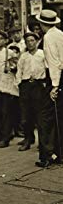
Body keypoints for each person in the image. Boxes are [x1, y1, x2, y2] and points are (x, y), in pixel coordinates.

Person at [36, 9, 63, 165]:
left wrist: (54, 86)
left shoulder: (48, 37)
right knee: (59, 116)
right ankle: (60, 154)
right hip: (61, 76)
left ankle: (46, 155)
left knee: (45, 118)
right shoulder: (60, 34)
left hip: (54, 77)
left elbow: (53, 62)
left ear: (41, 24)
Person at [16, 32, 47, 153]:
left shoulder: (42, 54)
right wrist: (20, 83)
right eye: (28, 41)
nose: (30, 43)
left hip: (38, 85)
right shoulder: (24, 56)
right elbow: (19, 71)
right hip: (26, 85)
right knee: (26, 115)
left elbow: (47, 68)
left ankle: (42, 142)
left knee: (40, 115)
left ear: (37, 41)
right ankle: (28, 139)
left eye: (32, 40)